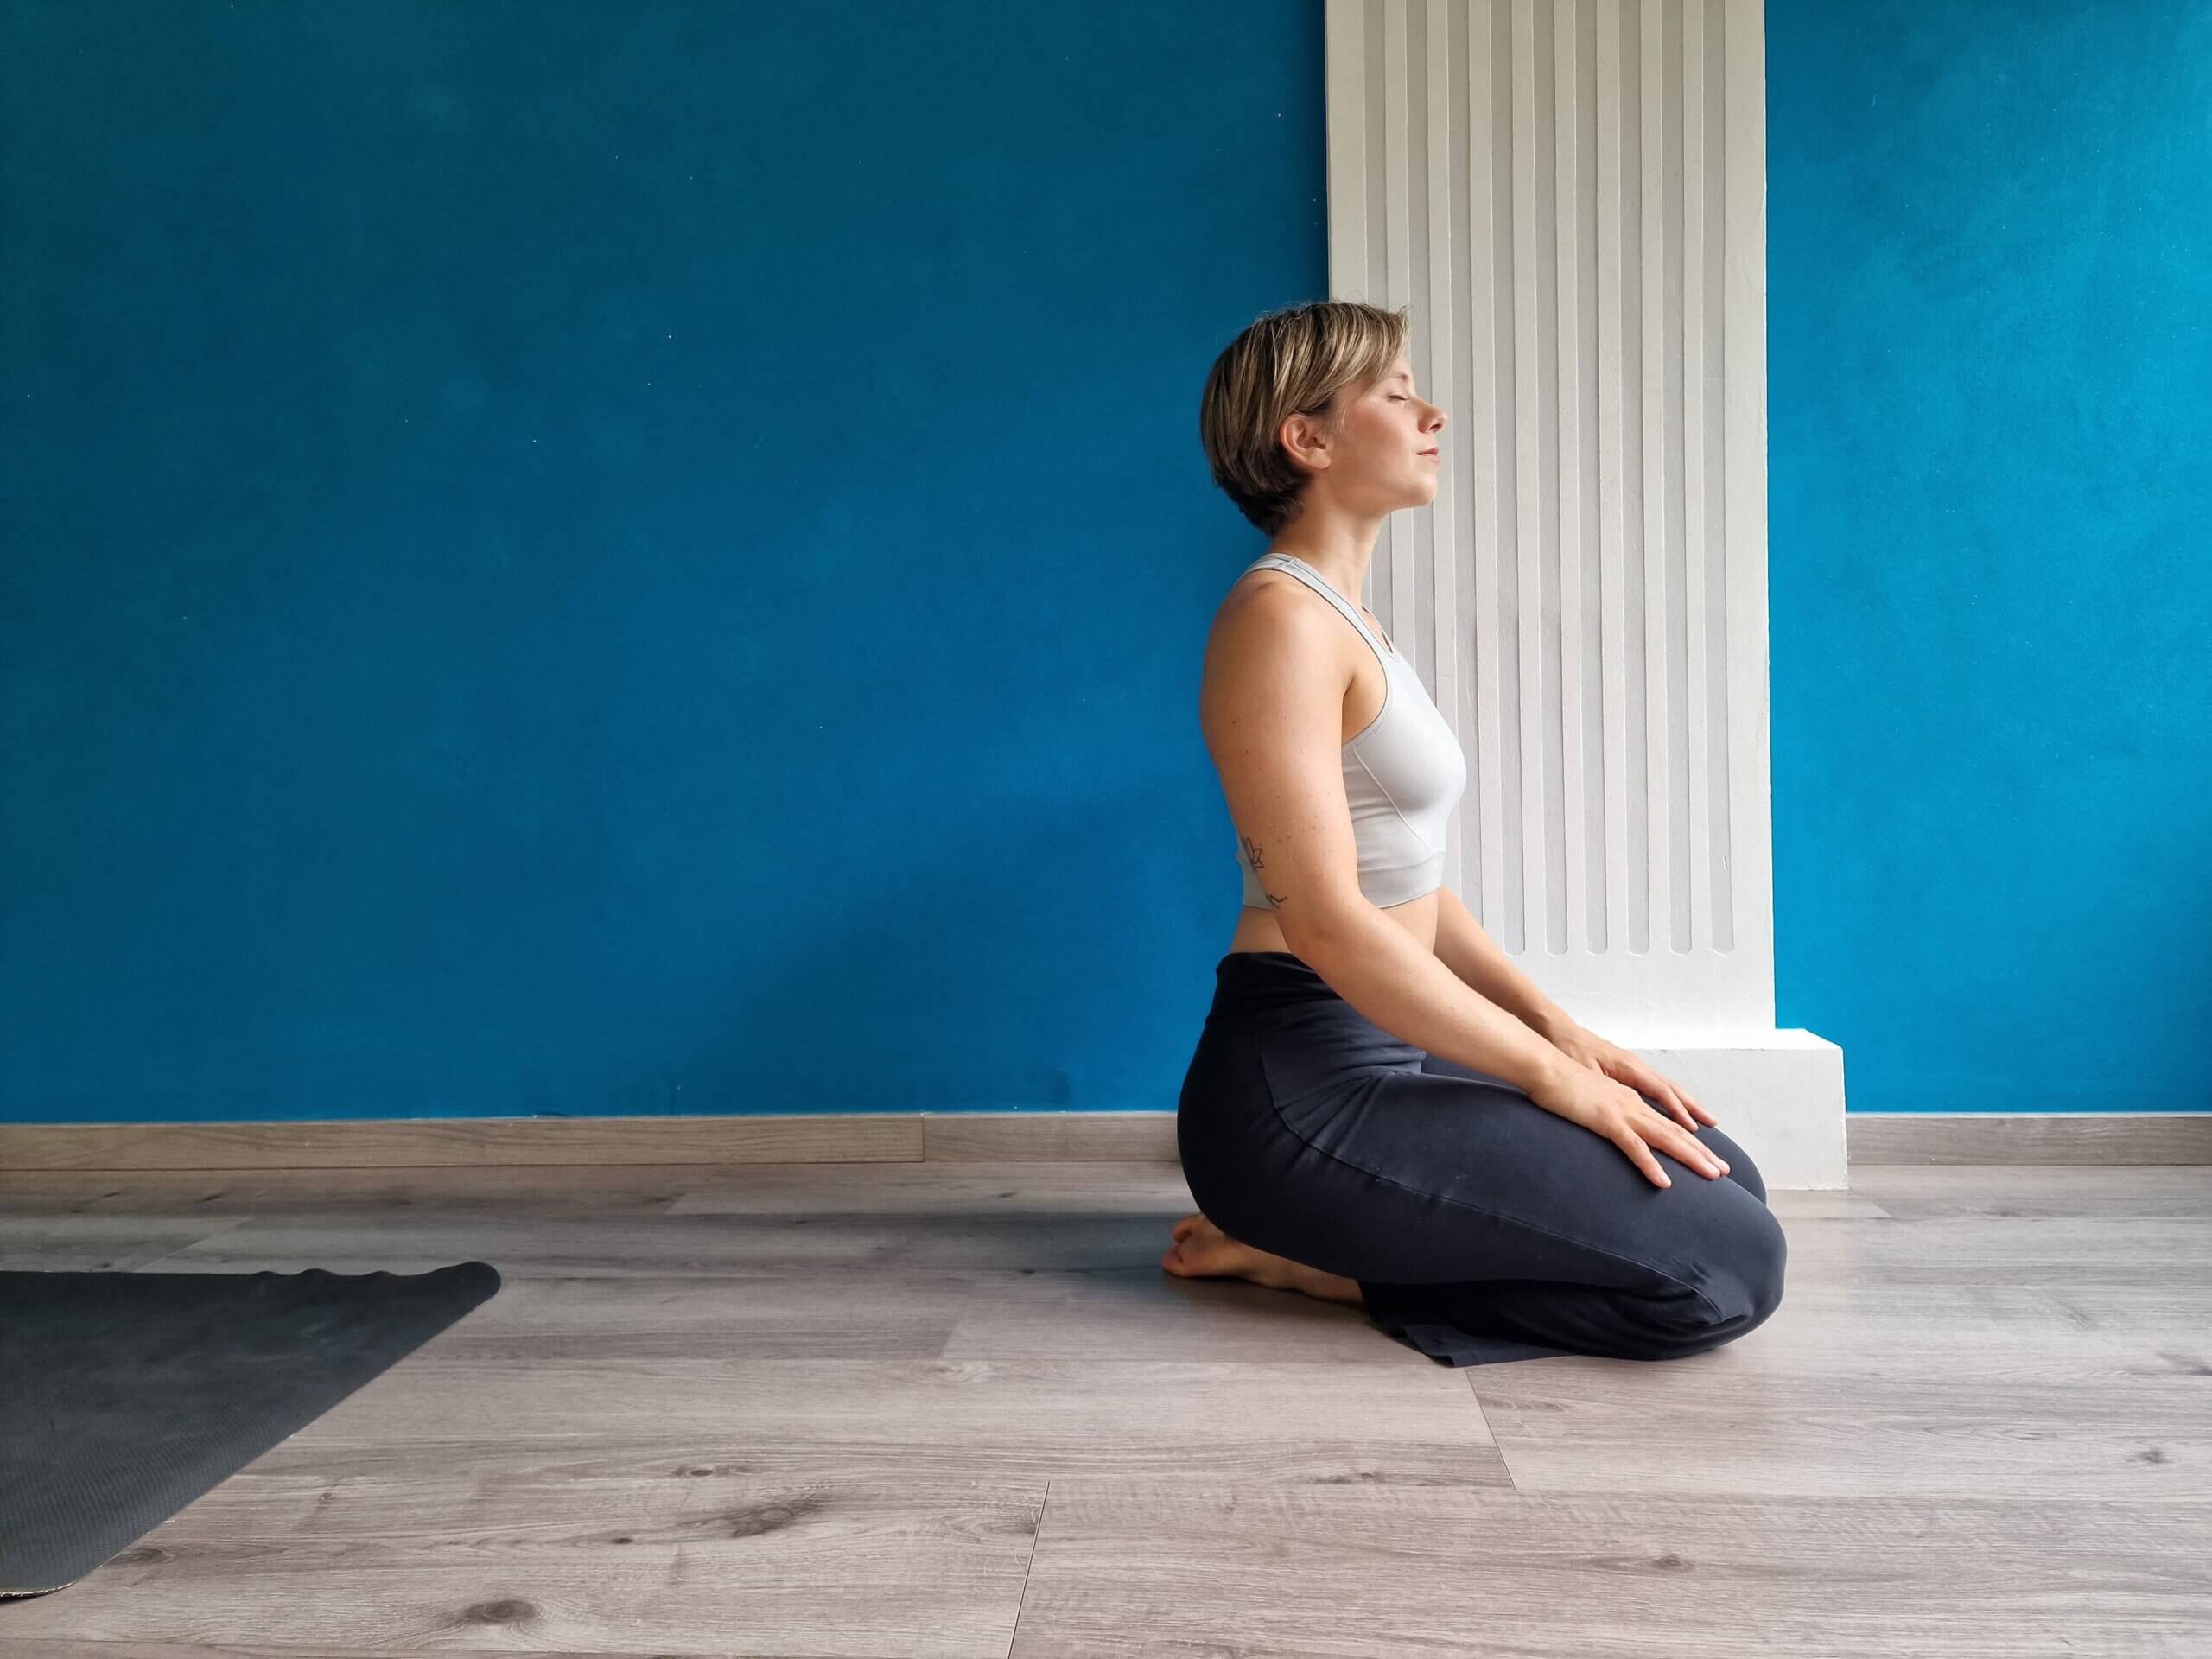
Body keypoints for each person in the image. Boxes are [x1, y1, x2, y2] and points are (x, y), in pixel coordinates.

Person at [1166, 300, 1786, 1363]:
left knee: (1728, 1178)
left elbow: (1412, 883)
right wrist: (1550, 1081)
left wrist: (1561, 1030)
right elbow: (1323, 920)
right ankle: (1310, 1261)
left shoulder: (1349, 620)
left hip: (1390, 1050)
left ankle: (1332, 1247)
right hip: (1297, 1091)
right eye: (1397, 394)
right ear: (1306, 439)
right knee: (1724, 1274)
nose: (1431, 413)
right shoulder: (1277, 622)